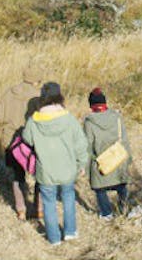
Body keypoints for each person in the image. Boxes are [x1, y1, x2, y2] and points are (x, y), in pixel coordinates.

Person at [22, 82, 88, 245]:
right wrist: (82, 164)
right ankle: (70, 231)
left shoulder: (33, 121)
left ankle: (53, 238)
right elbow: (81, 143)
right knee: (68, 198)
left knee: (49, 203)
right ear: (59, 97)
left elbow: (27, 139)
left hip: (46, 171)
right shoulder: (68, 118)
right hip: (67, 169)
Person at [0, 67, 44, 221]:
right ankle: (39, 208)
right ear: (36, 80)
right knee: (40, 175)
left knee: (17, 176)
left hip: (12, 141)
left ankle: (21, 209)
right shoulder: (38, 97)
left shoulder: (8, 93)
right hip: (33, 142)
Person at [83, 87, 132, 220]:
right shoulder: (117, 117)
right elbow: (125, 140)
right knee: (121, 185)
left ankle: (106, 213)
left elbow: (87, 147)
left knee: (99, 188)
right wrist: (129, 160)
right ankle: (123, 210)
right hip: (118, 157)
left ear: (91, 105)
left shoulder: (89, 122)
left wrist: (86, 169)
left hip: (100, 162)